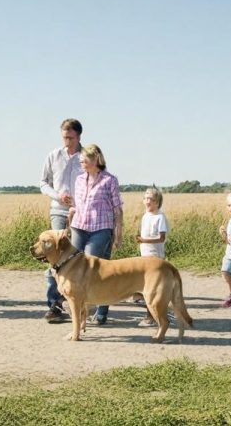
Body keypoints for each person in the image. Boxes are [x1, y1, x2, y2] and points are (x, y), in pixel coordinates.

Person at [68, 143, 123, 325]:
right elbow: (78, 205)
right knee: (74, 268)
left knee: (93, 269)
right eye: (81, 159)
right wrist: (71, 216)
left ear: (96, 159)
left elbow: (117, 209)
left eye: (86, 158)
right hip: (79, 227)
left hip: (100, 228)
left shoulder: (110, 180)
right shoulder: (78, 180)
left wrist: (118, 233)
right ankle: (82, 313)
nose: (82, 161)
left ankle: (98, 311)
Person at [39, 118, 84, 323]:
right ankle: (54, 305)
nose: (67, 141)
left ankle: (81, 303)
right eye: (64, 137)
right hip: (58, 211)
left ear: (78, 136)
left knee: (79, 257)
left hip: (83, 213)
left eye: (70, 137)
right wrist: (58, 196)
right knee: (54, 256)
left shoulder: (87, 156)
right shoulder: (53, 156)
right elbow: (43, 183)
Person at [135, 186, 170, 325]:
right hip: (145, 255)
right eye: (146, 198)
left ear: (157, 202)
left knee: (151, 289)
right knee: (145, 288)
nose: (147, 201)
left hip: (155, 257)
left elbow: (161, 238)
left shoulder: (160, 217)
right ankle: (153, 315)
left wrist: (144, 240)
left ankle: (152, 317)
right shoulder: (145, 216)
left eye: (151, 199)